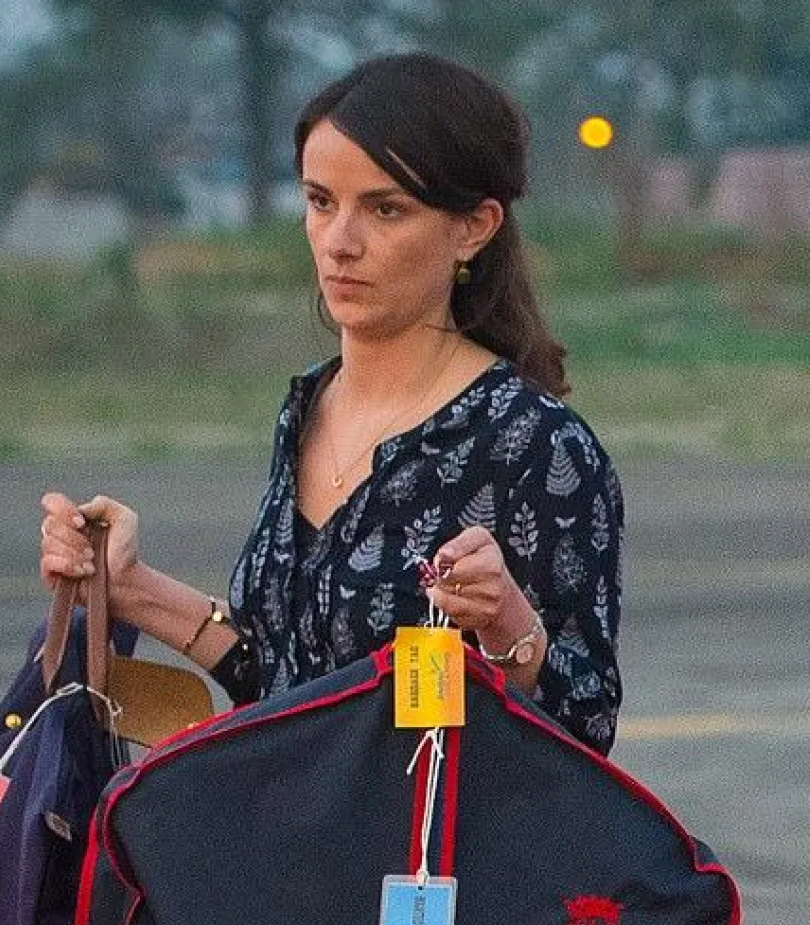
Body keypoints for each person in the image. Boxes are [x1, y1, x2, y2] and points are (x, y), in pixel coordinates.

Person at [39, 53, 624, 755]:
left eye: (386, 209)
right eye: (321, 202)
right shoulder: (308, 408)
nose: (340, 243)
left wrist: (508, 626)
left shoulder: (534, 444)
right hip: (283, 823)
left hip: (439, 830)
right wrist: (129, 586)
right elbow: (286, 676)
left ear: (474, 227)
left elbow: (587, 732)